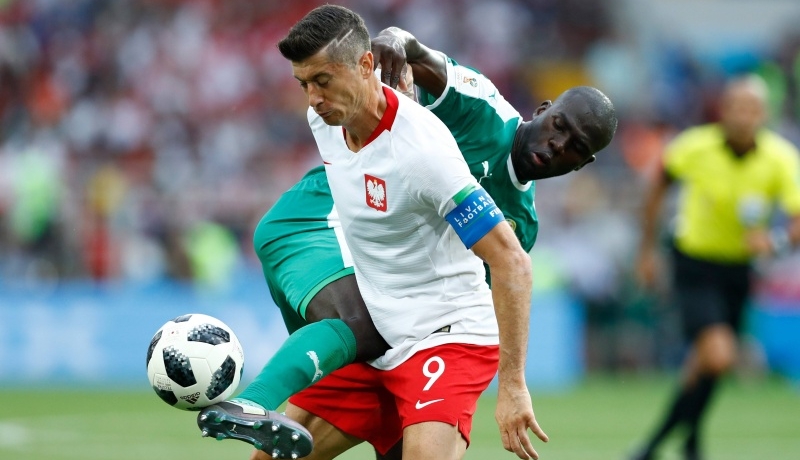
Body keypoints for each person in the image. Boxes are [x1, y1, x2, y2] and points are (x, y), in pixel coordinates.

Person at [196, 11, 617, 460]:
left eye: (575, 147)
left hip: (427, 328)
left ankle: (260, 400)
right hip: (333, 237)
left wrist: (510, 384)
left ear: (583, 164)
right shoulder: (477, 107)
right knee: (360, 323)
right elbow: (409, 50)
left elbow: (501, 272)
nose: (557, 145)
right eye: (560, 127)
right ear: (543, 110)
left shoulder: (500, 207)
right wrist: (395, 43)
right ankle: (255, 400)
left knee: (363, 348)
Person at [632, 74, 800, 460]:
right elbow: (657, 185)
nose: (743, 116)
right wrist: (647, 250)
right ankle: (656, 446)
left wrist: (775, 242)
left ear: (765, 114)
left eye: (752, 108)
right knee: (719, 354)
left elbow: (796, 220)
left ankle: (680, 441)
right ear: (723, 110)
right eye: (737, 107)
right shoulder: (695, 146)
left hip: (739, 270)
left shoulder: (780, 157)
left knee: (708, 363)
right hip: (695, 261)